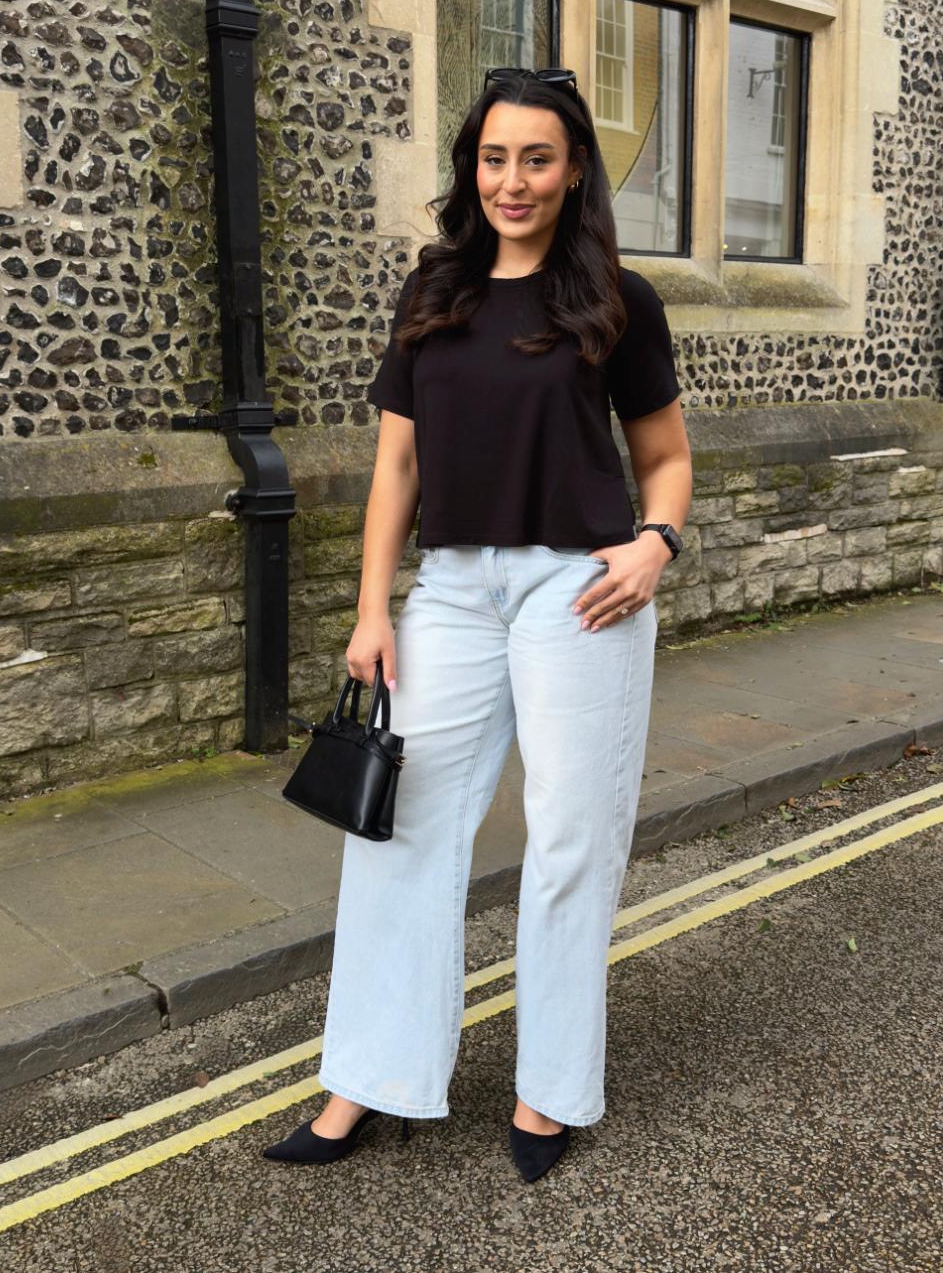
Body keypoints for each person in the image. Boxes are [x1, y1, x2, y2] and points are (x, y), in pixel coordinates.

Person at [263, 66, 692, 1181]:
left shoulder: (618, 300)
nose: (513, 180)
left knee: (569, 838)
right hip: (451, 592)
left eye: (536, 159)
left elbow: (664, 457)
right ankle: (370, 1078)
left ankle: (550, 1090)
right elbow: (396, 467)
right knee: (398, 829)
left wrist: (656, 543)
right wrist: (372, 609)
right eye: (494, 158)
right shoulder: (434, 288)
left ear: (575, 170)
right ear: (473, 167)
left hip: (577, 589)